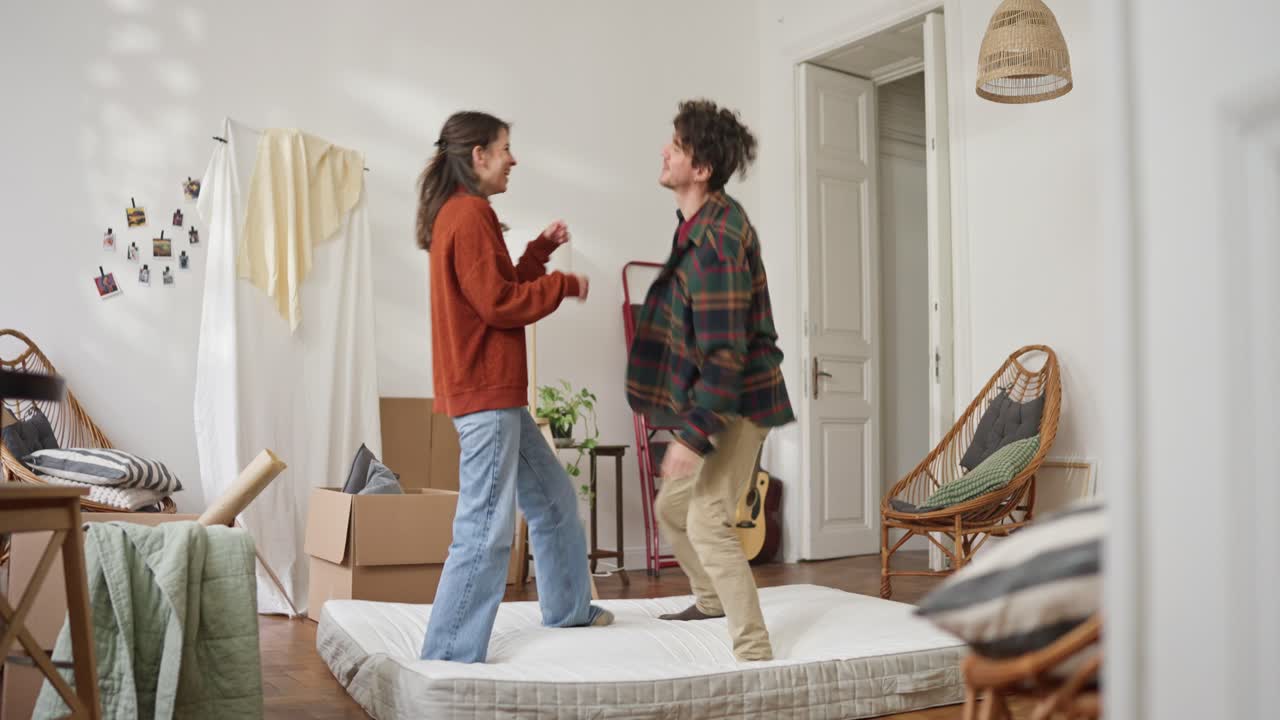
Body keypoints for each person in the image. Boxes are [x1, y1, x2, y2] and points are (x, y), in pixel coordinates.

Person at [417, 111, 610, 664]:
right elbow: (499, 305)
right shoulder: (469, 213)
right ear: (478, 155)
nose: (513, 159)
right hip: (486, 394)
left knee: (552, 499)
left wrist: (539, 254)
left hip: (493, 395)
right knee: (484, 528)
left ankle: (571, 607)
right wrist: (562, 285)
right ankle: (449, 655)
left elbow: (496, 287)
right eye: (505, 149)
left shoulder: (462, 213)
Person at [626, 99, 795, 662]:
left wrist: (692, 435)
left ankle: (754, 652)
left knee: (705, 516)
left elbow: (726, 354)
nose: (663, 150)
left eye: (674, 145)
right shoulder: (699, 224)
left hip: (742, 401)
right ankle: (710, 600)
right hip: (718, 398)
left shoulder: (717, 242)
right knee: (672, 508)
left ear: (699, 169)